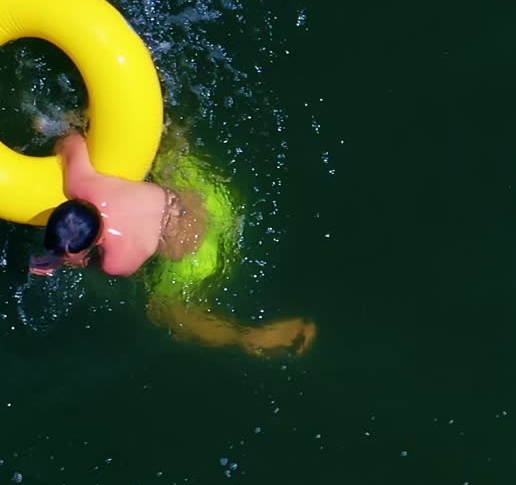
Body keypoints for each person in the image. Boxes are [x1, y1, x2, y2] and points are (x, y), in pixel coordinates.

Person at [30, 131, 316, 357]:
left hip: (199, 254)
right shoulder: (85, 185)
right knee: (167, 145)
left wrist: (62, 262)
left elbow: (85, 260)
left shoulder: (117, 261)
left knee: (167, 312)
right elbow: (70, 140)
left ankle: (246, 336)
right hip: (209, 199)